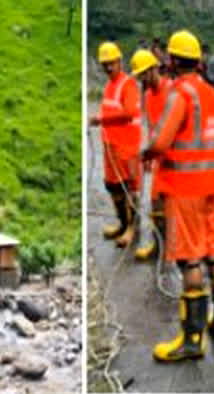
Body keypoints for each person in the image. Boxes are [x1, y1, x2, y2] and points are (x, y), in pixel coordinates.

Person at [143, 30, 214, 362]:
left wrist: (145, 152)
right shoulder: (211, 94)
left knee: (189, 259)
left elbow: (161, 142)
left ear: (174, 61)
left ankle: (192, 339)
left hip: (186, 188)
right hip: (211, 185)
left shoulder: (181, 95)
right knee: (212, 252)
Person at [90, 42, 142, 249]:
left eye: (111, 63)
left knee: (129, 188)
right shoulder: (109, 86)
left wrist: (101, 119)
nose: (108, 68)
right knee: (113, 188)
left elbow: (128, 113)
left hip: (126, 147)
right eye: (105, 64)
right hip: (111, 147)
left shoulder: (128, 84)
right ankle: (122, 223)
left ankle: (132, 227)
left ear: (119, 61)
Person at [132, 49, 172, 261]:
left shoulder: (171, 90)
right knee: (155, 201)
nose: (142, 80)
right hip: (159, 155)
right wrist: (150, 152)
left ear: (155, 69)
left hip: (176, 156)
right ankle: (159, 248)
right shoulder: (147, 96)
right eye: (139, 77)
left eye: (144, 75)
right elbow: (151, 126)